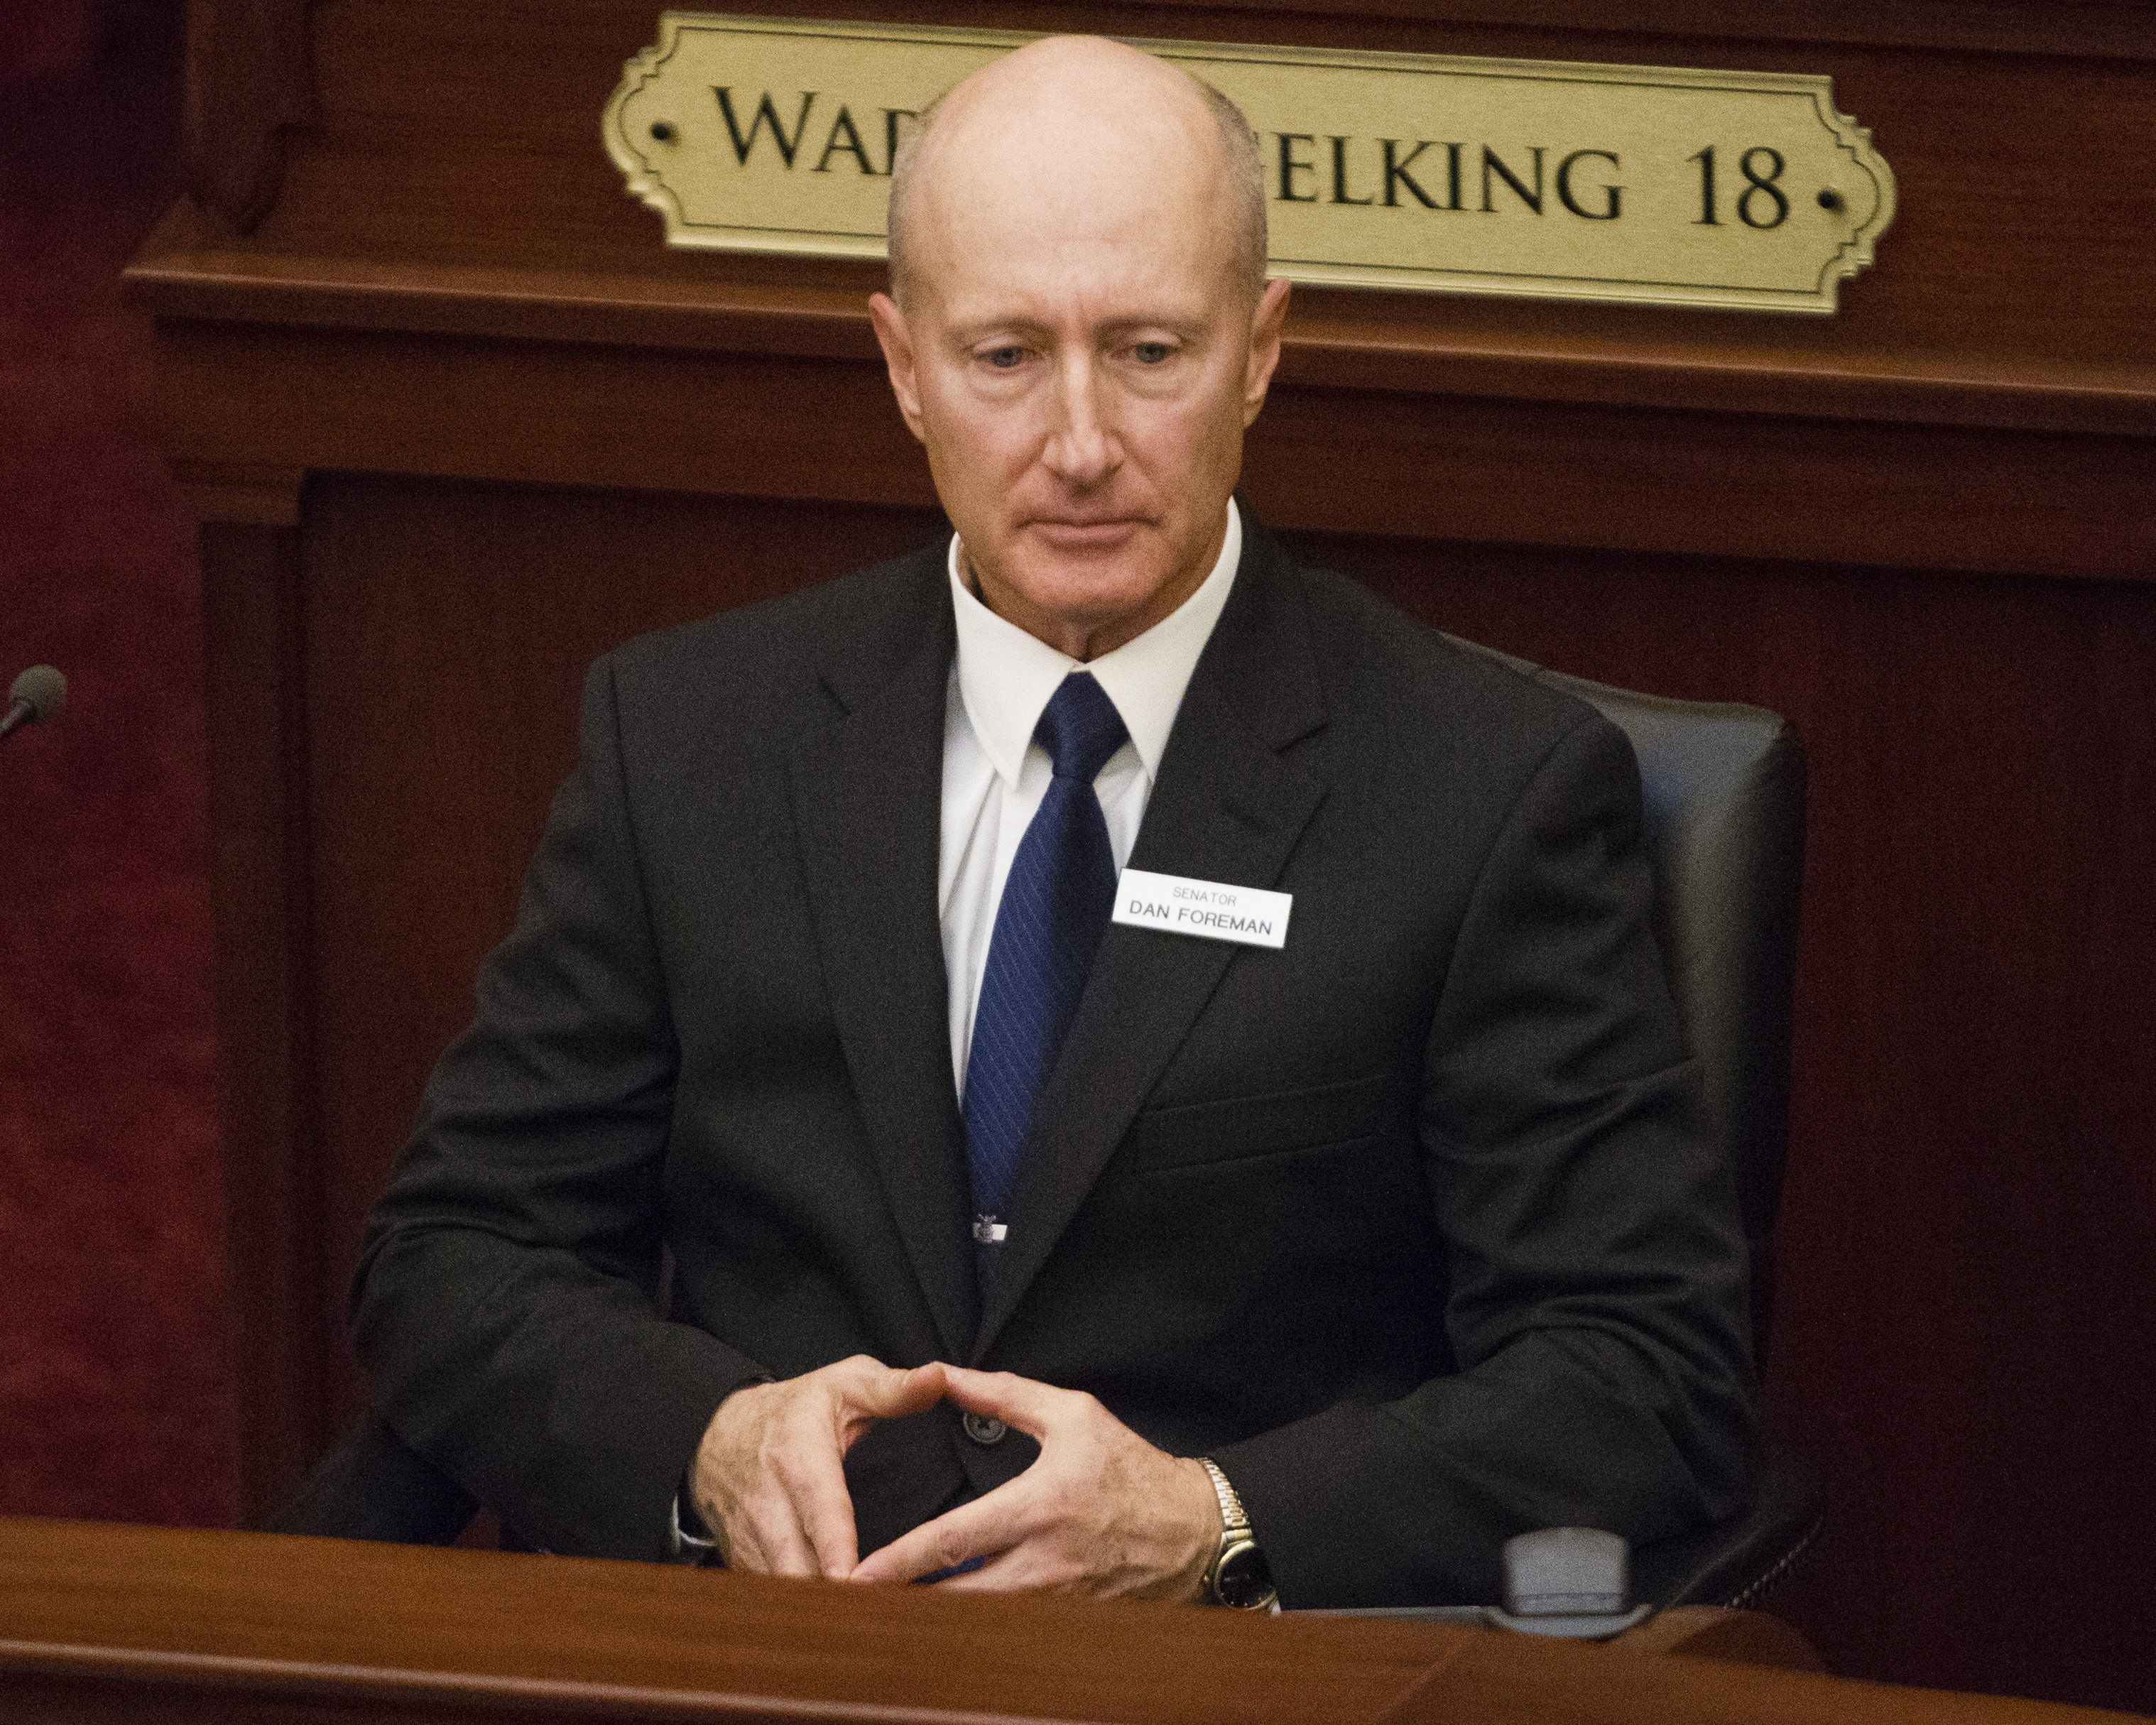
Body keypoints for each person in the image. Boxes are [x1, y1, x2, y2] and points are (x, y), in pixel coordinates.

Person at [352, 35, 1755, 1611]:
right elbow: (456, 1254)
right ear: (902, 365)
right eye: (1005, 356)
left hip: (1228, 1694)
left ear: (1262, 350)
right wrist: (709, 1444)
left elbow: (1645, 1370)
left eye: (1150, 352)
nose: (1080, 444)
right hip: (771, 1664)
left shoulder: (1482, 790)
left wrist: (1215, 1520)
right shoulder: (691, 743)